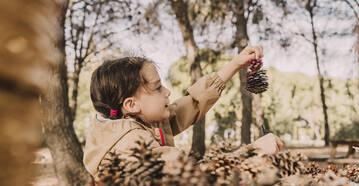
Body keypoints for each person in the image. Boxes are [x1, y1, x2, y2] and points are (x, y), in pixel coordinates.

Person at [83, 46, 283, 177]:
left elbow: (191, 104)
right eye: (158, 88)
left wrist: (235, 65)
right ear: (131, 104)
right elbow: (195, 174)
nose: (167, 92)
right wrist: (253, 151)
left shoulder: (142, 120)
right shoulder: (131, 144)